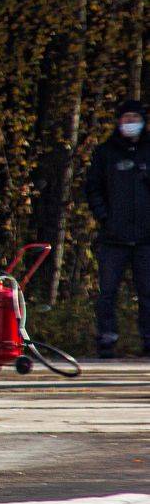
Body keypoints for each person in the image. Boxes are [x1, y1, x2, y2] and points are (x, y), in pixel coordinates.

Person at [85, 98, 150, 358]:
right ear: (118, 122)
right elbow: (93, 188)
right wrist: (104, 217)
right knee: (107, 292)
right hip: (114, 237)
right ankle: (106, 338)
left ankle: (148, 339)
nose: (130, 124)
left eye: (135, 119)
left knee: (147, 293)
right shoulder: (106, 153)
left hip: (147, 237)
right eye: (126, 119)